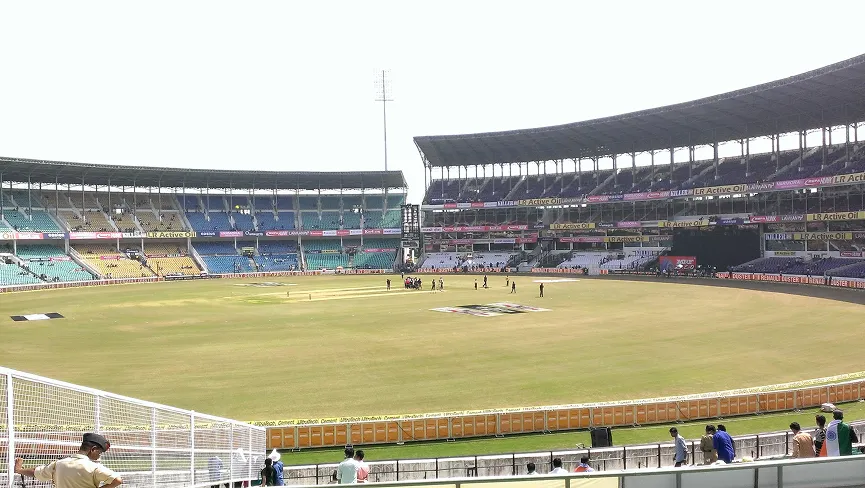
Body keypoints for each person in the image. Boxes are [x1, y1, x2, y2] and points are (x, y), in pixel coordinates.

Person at [14, 433, 122, 488]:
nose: (99, 456)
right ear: (93, 449)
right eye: (99, 452)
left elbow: (35, 472)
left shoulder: (58, 464)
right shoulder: (94, 467)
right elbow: (117, 480)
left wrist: (19, 470)